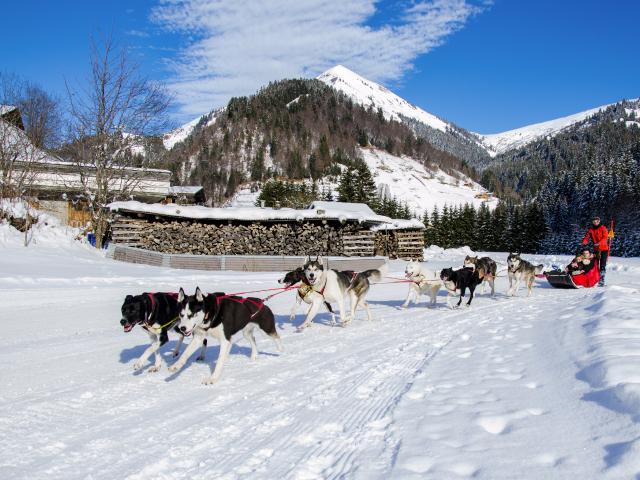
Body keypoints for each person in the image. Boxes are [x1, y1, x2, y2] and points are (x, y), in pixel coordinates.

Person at [582, 216, 609, 286]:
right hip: (596, 250)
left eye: (597, 221)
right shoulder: (591, 230)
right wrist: (584, 242)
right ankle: (594, 279)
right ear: (592, 222)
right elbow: (587, 237)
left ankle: (602, 280)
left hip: (604, 249)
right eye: (594, 221)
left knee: (602, 265)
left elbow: (605, 237)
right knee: (595, 264)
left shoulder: (603, 228)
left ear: (599, 221)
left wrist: (599, 243)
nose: (595, 222)